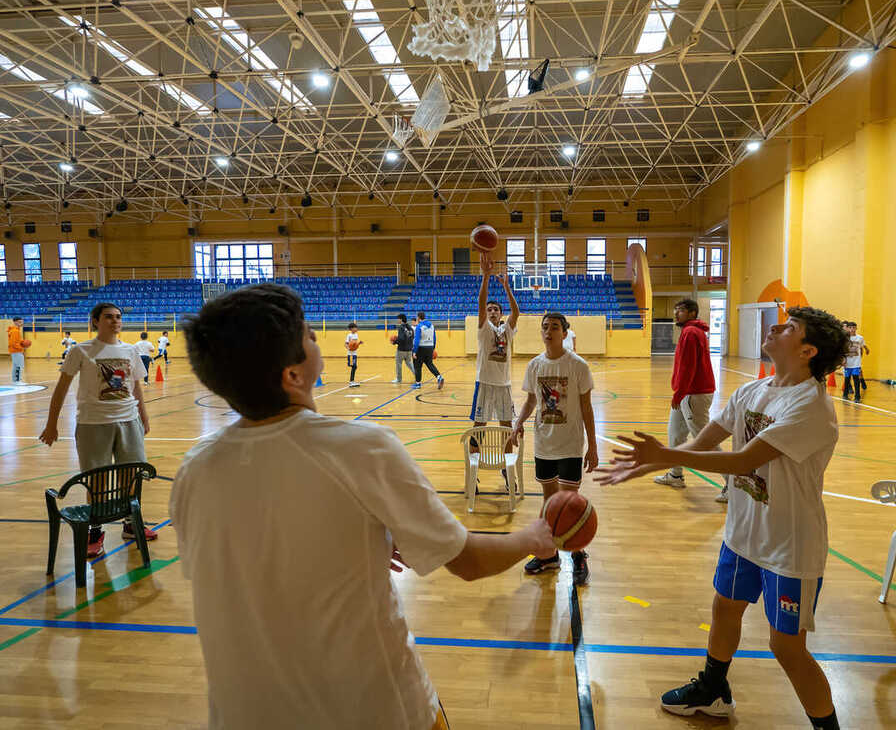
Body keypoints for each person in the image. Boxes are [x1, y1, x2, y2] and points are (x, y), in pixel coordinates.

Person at [172, 283, 555, 729]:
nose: (316, 338)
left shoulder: (193, 470)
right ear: (292, 375)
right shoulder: (362, 449)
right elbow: (467, 561)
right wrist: (531, 538)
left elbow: (260, 561)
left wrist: (358, 542)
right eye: (309, 334)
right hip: (377, 710)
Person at [595, 306, 848, 729]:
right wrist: (656, 463)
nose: (775, 327)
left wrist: (666, 455)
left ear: (807, 351)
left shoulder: (811, 406)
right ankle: (713, 690)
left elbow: (743, 460)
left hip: (790, 545)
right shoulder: (754, 391)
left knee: (786, 646)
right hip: (744, 534)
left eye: (789, 327)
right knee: (724, 608)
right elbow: (708, 440)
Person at [39, 302, 155, 558]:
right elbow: (61, 388)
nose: (115, 321)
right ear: (95, 321)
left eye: (118, 317)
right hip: (93, 423)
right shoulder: (80, 350)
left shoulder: (131, 350)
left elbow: (137, 388)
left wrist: (144, 417)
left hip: (128, 420)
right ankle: (95, 530)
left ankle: (130, 525)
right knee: (97, 480)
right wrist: (51, 423)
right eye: (109, 317)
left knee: (131, 476)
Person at [510, 311, 599, 586]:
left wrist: (593, 446)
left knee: (569, 507)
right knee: (549, 504)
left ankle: (578, 556)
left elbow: (586, 408)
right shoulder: (535, 365)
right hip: (544, 444)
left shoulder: (578, 366)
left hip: (570, 445)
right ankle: (549, 557)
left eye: (555, 327)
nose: (549, 331)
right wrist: (518, 423)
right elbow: (530, 401)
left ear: (565, 332)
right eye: (545, 327)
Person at [654, 299, 719, 499]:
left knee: (704, 440)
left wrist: (680, 392)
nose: (676, 313)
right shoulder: (691, 331)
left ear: (692, 313)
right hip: (688, 393)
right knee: (675, 434)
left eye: (680, 310)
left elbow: (687, 367)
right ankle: (676, 475)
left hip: (694, 394)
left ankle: (732, 483)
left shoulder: (691, 333)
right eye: (675, 309)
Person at [470, 253, 519, 439]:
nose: (492, 311)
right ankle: (474, 460)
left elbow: (516, 312)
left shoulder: (507, 330)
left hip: (504, 384)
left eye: (495, 309)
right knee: (479, 425)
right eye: (489, 309)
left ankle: (506, 465)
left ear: (500, 314)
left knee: (506, 426)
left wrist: (507, 287)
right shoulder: (484, 329)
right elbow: (481, 302)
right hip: (484, 382)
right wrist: (486, 276)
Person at [413, 311, 444, 389]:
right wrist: (433, 348)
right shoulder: (432, 326)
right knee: (430, 364)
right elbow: (434, 338)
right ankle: (439, 377)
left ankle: (418, 383)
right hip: (430, 346)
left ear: (418, 318)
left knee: (418, 366)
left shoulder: (419, 326)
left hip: (421, 347)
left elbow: (417, 340)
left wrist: (414, 351)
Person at [841, 321, 869, 403]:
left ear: (856, 328)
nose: (852, 329)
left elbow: (863, 345)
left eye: (854, 327)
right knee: (847, 379)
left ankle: (857, 397)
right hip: (847, 363)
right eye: (850, 328)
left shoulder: (860, 338)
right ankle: (845, 395)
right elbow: (842, 350)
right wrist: (842, 360)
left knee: (856, 379)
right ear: (848, 328)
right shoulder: (845, 339)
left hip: (856, 363)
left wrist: (867, 349)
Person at [392, 313, 416, 384]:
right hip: (409, 349)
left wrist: (395, 341)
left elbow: (401, 339)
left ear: (401, 319)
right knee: (409, 363)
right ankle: (417, 375)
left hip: (401, 349)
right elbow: (412, 337)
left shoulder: (401, 327)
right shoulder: (410, 328)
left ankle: (399, 379)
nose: (397, 320)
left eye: (398, 319)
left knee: (398, 364)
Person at [8, 315, 27, 383]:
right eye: (20, 322)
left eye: (22, 322)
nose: (21, 323)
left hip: (15, 351)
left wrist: (22, 342)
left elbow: (17, 341)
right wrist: (22, 347)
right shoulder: (15, 331)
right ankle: (18, 381)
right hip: (16, 351)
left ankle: (15, 380)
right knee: (19, 366)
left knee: (16, 366)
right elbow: (14, 343)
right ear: (15, 322)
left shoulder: (15, 330)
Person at [345, 322, 362, 387]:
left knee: (355, 367)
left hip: (355, 353)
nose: (356, 329)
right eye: (355, 327)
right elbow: (346, 344)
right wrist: (349, 348)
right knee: (353, 366)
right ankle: (351, 381)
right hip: (351, 354)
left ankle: (352, 381)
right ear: (351, 329)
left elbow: (355, 345)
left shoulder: (356, 335)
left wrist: (359, 343)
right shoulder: (349, 335)